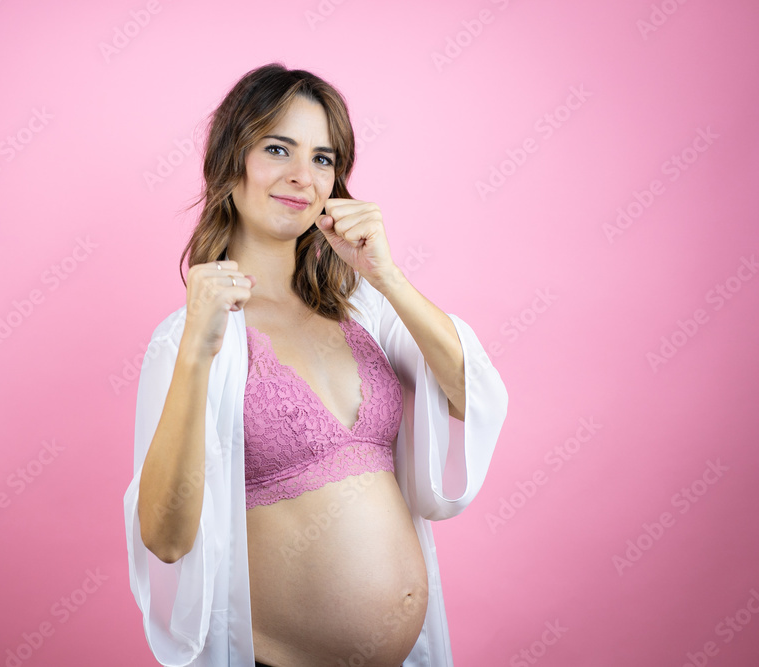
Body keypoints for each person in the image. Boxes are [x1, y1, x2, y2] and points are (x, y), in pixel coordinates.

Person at [123, 62, 509, 667]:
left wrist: (387, 275)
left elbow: (472, 396)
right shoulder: (188, 338)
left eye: (324, 159)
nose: (303, 177)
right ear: (232, 163)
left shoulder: (365, 309)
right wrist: (199, 351)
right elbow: (166, 540)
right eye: (278, 148)